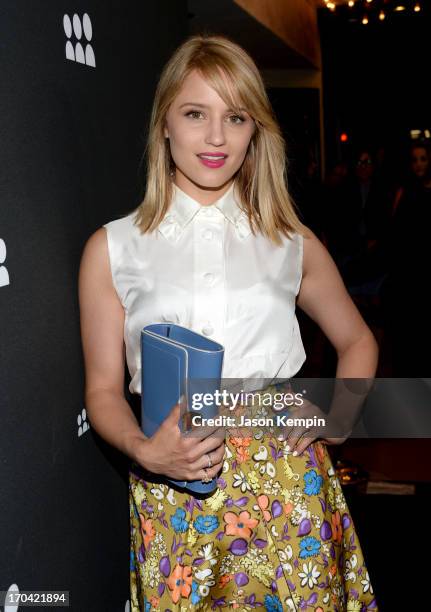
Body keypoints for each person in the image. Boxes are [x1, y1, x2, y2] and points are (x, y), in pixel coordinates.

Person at [78, 35, 379, 611]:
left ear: (254, 130)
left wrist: (340, 414)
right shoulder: (113, 248)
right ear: (164, 123)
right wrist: (145, 451)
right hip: (177, 484)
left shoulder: (291, 243)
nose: (217, 137)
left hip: (290, 484)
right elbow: (102, 392)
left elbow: (357, 339)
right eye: (196, 114)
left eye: (235, 117)